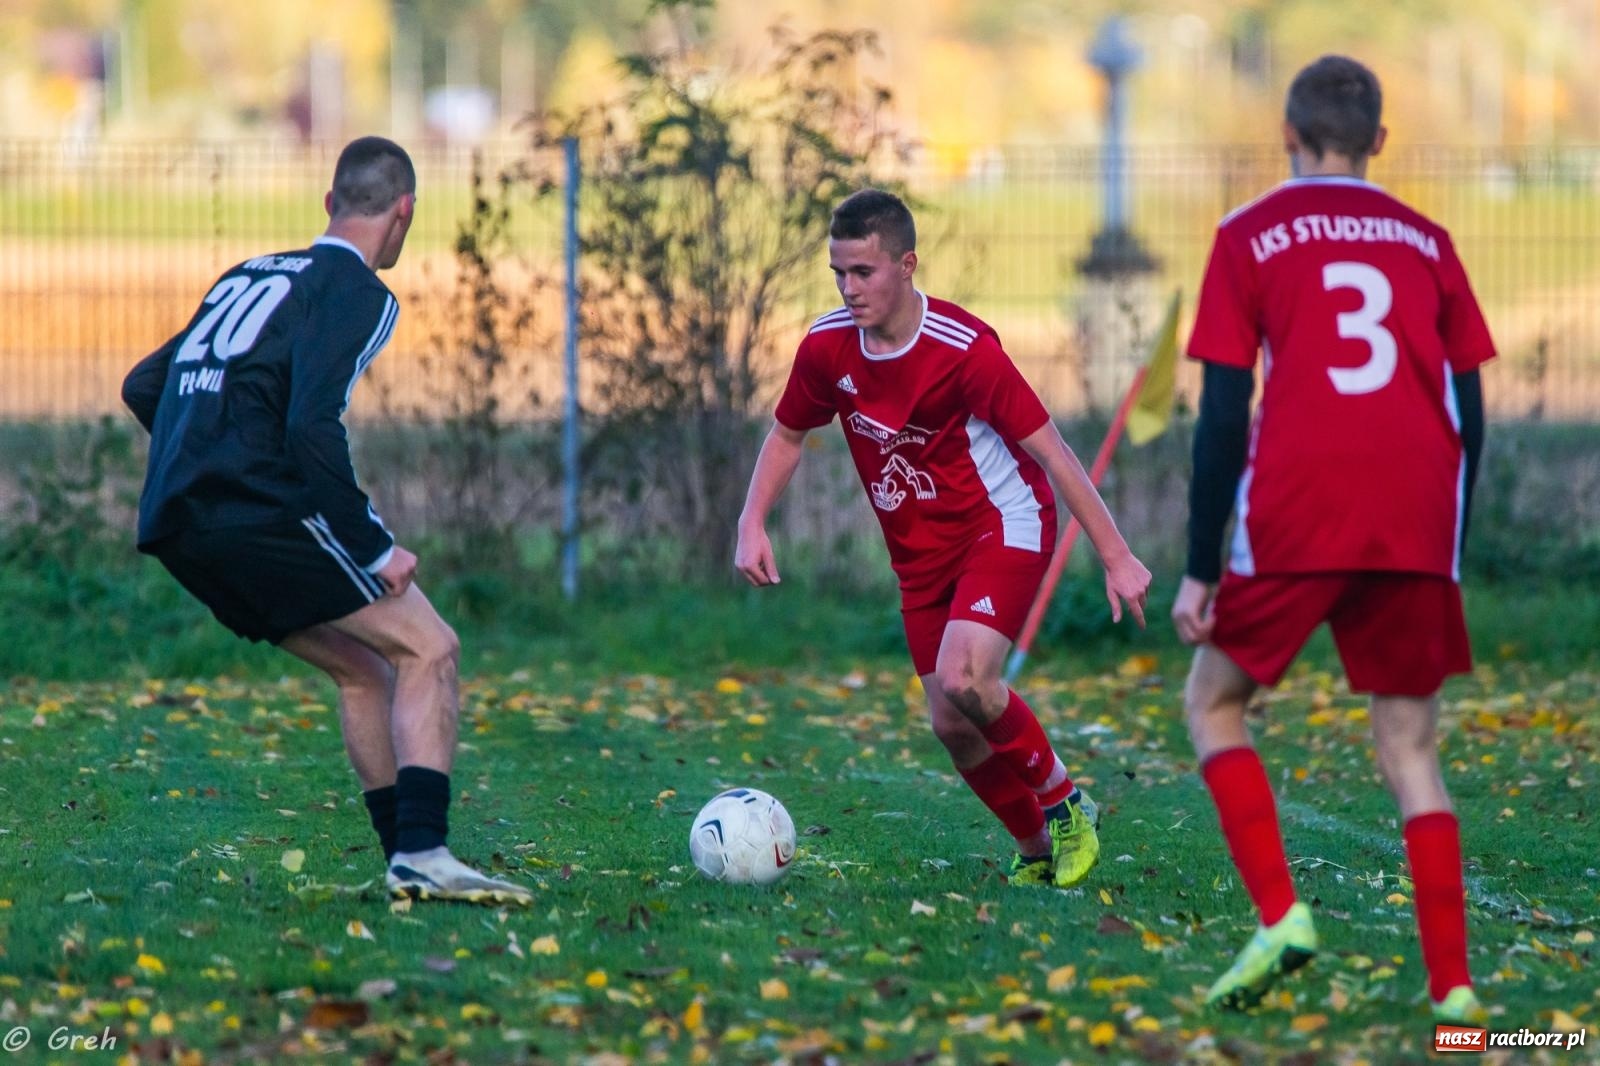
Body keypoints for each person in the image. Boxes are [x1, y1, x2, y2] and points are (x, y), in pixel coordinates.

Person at [121, 136, 531, 907]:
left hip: (178, 523)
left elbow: (146, 384)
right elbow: (311, 427)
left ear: (329, 204)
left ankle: (407, 858)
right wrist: (373, 545)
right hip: (255, 513)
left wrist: (203, 456)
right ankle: (428, 853)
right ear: (404, 211)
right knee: (431, 646)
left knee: (363, 667)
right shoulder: (356, 291)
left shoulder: (250, 274)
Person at [1174, 56, 1493, 1022]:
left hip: (1300, 503)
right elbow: (1471, 410)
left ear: (1288, 136)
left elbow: (1224, 411)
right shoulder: (1430, 241)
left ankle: (1279, 917)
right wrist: (1451, 541)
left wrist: (1198, 570)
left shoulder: (1247, 234)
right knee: (1410, 747)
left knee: (1215, 702)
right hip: (1417, 511)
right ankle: (1459, 999)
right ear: (1379, 145)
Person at [735, 189, 1152, 890]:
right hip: (920, 557)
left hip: (1004, 523)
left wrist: (1116, 554)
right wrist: (751, 522)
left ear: (907, 265)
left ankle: (1067, 805)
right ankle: (1035, 849)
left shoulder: (965, 350)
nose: (848, 288)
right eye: (838, 272)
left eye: (863, 272)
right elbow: (786, 435)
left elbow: (1053, 452)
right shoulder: (825, 346)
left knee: (966, 678)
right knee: (952, 725)